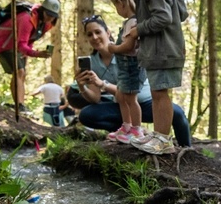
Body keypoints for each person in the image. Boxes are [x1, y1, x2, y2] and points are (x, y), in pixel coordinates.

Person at [107, 0, 189, 156]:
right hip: (158, 52)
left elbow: (164, 17)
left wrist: (137, 31)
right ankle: (158, 135)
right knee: (157, 92)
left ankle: (163, 139)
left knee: (161, 95)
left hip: (164, 51)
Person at [70, 15, 192, 147]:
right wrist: (82, 87)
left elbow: (128, 87)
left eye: (98, 32)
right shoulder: (92, 62)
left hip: (146, 104)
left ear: (108, 33)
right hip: (122, 107)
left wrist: (102, 84)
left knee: (177, 113)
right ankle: (126, 132)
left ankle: (186, 148)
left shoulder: (125, 51)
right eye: (89, 34)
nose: (94, 37)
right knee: (87, 114)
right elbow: (95, 98)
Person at [0, 0, 59, 112]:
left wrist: (29, 51)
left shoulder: (46, 24)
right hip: (4, 43)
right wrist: (36, 53)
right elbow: (21, 44)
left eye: (53, 16)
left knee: (21, 74)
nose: (50, 18)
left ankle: (18, 105)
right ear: (42, 10)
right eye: (48, 14)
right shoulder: (27, 18)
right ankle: (20, 105)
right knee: (19, 72)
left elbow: (31, 38)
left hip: (17, 46)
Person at [104, 0, 147, 144]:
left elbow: (128, 46)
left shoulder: (133, 22)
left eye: (116, 6)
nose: (117, 10)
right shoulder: (128, 22)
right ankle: (126, 126)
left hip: (131, 67)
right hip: (124, 68)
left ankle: (137, 130)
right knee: (121, 96)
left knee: (130, 98)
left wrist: (113, 48)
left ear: (121, 3)